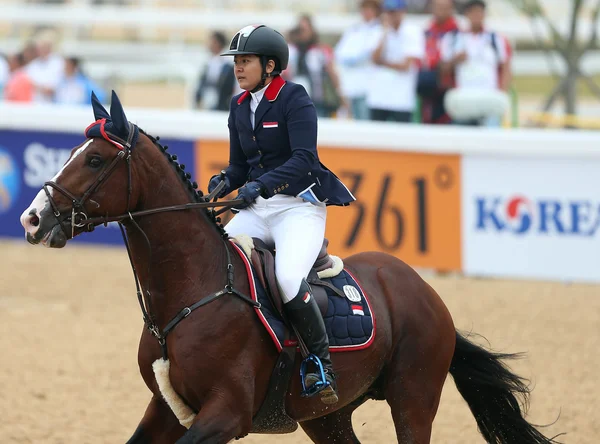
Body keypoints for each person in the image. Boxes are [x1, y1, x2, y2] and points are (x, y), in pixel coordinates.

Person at [207, 24, 355, 405]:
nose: (238, 68)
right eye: (236, 62)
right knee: (215, 259)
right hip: (258, 209)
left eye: (246, 61)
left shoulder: (295, 98)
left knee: (289, 277)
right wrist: (225, 180)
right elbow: (240, 166)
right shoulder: (238, 107)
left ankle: (320, 364)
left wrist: (261, 185)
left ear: (270, 65)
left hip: (298, 209)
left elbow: (305, 160)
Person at [440, 0, 512, 126]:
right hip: (464, 100)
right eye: (473, 12)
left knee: (490, 141)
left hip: (489, 99)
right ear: (466, 14)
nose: (476, 16)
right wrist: (455, 60)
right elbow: (442, 70)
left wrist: (502, 92)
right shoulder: (453, 38)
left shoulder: (496, 39)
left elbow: (506, 67)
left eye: (479, 12)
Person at [367, 0, 425, 122]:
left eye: (393, 11)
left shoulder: (413, 31)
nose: (390, 15)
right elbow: (374, 58)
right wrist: (385, 32)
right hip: (378, 97)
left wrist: (382, 63)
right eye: (388, 11)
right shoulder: (378, 30)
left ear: (402, 11)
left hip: (401, 98)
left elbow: (405, 65)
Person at [286, 15, 345, 118]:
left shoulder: (320, 51)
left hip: (318, 100)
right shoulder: (291, 50)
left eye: (305, 29)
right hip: (296, 100)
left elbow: (332, 73)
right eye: (300, 29)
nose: (302, 33)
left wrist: (341, 96)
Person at [334, 0, 383, 120]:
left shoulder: (379, 30)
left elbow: (370, 54)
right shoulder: (354, 29)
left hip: (367, 87)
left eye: (369, 9)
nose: (366, 12)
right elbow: (339, 53)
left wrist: (356, 58)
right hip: (350, 87)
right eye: (364, 8)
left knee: (365, 123)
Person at [418, 0, 459, 124]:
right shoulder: (427, 32)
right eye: (438, 7)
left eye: (445, 7)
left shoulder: (458, 34)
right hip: (429, 89)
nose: (441, 11)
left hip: (450, 89)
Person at [194, 31, 238, 111]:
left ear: (218, 43)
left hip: (222, 107)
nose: (209, 44)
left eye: (211, 41)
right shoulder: (207, 63)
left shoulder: (228, 65)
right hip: (206, 104)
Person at [26, 31, 65, 103]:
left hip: (54, 104)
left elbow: (53, 88)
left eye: (44, 47)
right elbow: (29, 84)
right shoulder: (32, 65)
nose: (42, 50)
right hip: (35, 103)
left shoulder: (58, 63)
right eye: (40, 47)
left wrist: (40, 87)